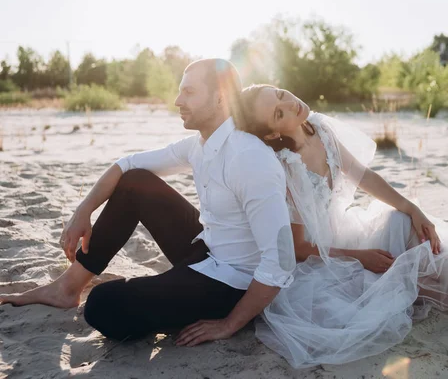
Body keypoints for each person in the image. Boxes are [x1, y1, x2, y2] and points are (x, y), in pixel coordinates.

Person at [233, 84, 448, 368]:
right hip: (322, 260)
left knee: (402, 222)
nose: (290, 103)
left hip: (345, 231)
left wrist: (412, 206)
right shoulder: (285, 167)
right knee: (395, 268)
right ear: (273, 133)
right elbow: (299, 249)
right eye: (278, 113)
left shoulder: (318, 127)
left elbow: (363, 176)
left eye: (281, 94)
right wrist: (359, 257)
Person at [0, 60, 297, 347]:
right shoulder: (200, 144)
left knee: (102, 305)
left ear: (221, 98)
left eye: (189, 92)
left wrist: (230, 323)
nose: (178, 100)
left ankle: (200, 304)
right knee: (135, 182)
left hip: (234, 286)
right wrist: (83, 211)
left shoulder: (249, 158)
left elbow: (279, 262)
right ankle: (67, 287)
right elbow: (126, 164)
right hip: (208, 249)